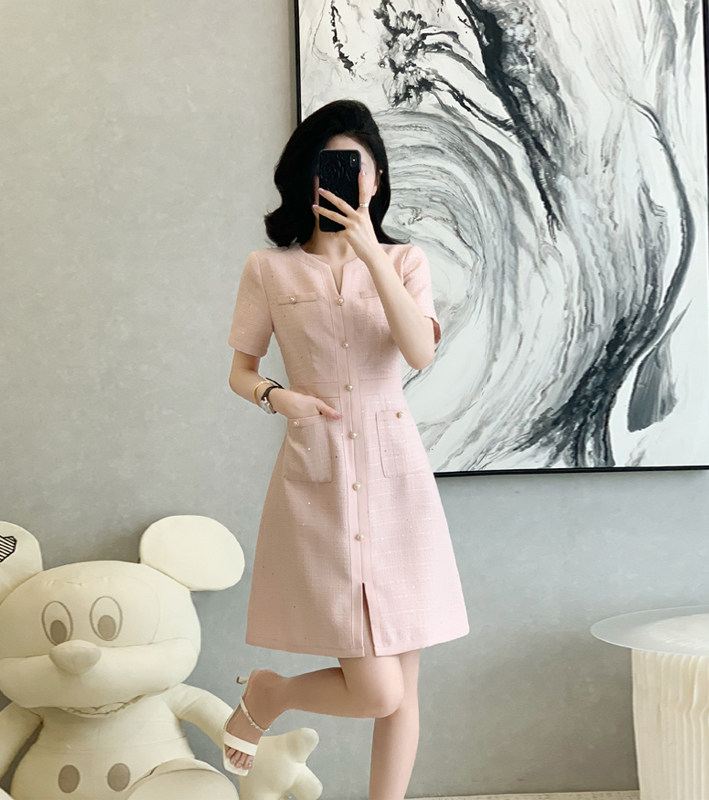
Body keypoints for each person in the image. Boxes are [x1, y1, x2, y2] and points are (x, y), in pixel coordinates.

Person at [225, 99, 468, 799]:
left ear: (376, 179)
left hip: (397, 485)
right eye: (327, 166)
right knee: (377, 689)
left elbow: (419, 352)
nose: (340, 179)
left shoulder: (406, 261)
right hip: (319, 481)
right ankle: (270, 694)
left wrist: (368, 252)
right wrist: (279, 398)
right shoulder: (269, 270)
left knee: (402, 694)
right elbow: (240, 371)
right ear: (305, 176)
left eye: (354, 168)